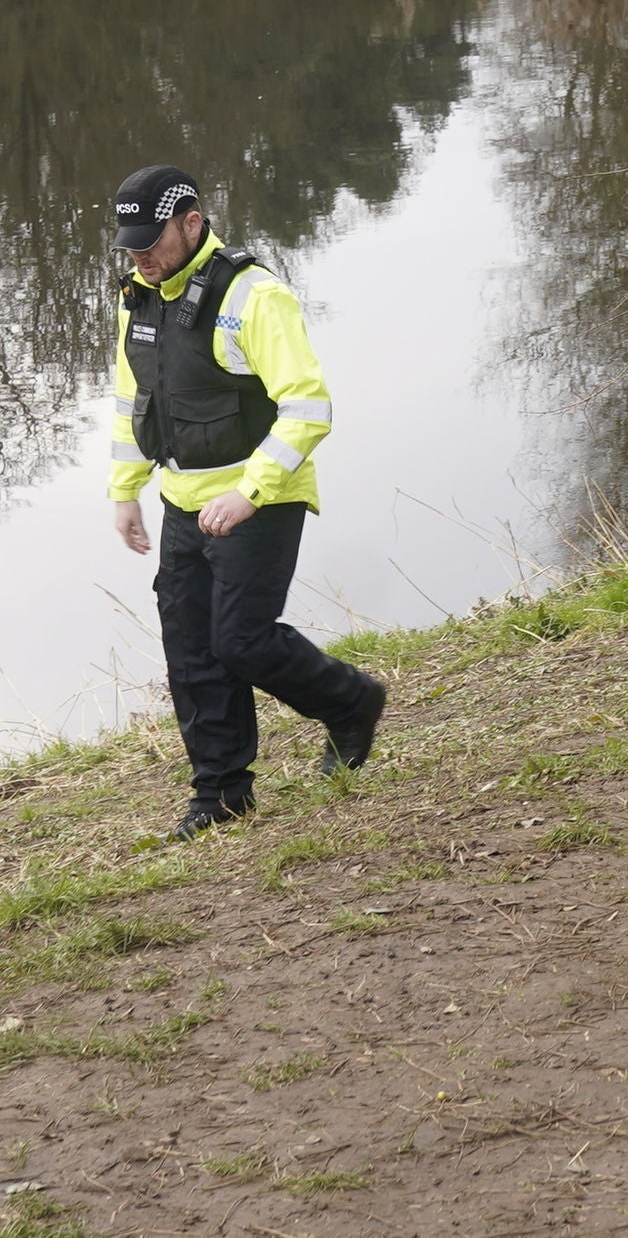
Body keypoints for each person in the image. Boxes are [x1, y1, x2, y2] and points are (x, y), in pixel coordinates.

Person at [106, 164, 387, 838]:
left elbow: (309, 407)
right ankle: (222, 790)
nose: (141, 254)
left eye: (152, 239)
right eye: (130, 243)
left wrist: (249, 492)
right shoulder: (136, 300)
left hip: (261, 497)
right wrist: (125, 493)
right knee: (192, 652)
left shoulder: (254, 295)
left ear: (192, 223)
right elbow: (132, 403)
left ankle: (352, 702)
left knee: (241, 641)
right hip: (181, 501)